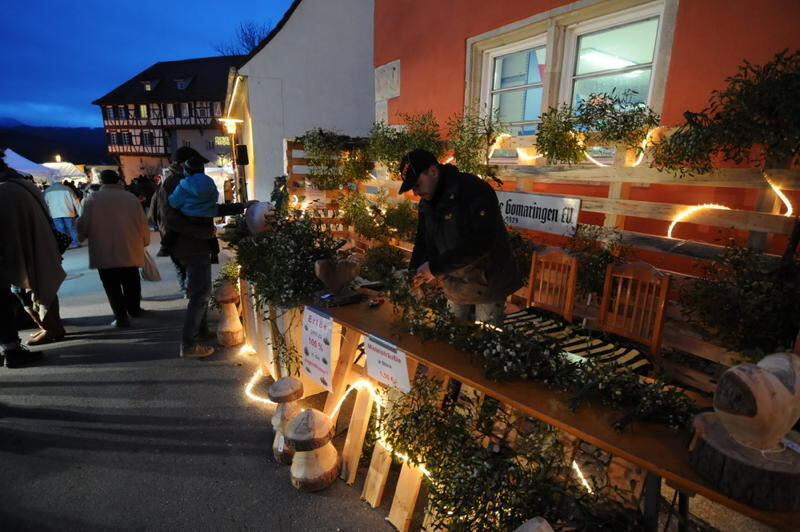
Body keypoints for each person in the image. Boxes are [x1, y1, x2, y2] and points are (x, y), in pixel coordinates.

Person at [400, 149, 522, 326]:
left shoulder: (474, 190)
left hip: (488, 281)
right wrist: (414, 272)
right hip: (454, 282)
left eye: (417, 184)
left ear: (433, 171)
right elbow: (423, 240)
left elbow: (481, 243)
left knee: (485, 341)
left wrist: (434, 267)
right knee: (453, 338)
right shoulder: (427, 203)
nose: (416, 192)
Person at [151, 147, 252, 358]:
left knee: (198, 291)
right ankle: (188, 344)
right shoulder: (173, 183)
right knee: (200, 294)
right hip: (189, 246)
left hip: (192, 245)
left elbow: (209, 209)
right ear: (183, 164)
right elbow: (170, 219)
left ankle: (202, 331)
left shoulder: (185, 182)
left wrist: (241, 207)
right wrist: (201, 232)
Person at [0, 148, 67, 367]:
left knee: (23, 292)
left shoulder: (7, 189)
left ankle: (42, 332)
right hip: (28, 253)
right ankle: (21, 342)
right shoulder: (16, 185)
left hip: (17, 257)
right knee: (28, 289)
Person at [77, 170, 150, 328]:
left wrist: (81, 235)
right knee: (131, 280)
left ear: (101, 181)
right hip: (128, 246)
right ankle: (134, 309)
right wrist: (144, 241)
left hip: (104, 250)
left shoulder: (92, 199)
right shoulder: (130, 198)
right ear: (118, 181)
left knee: (112, 286)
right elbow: (142, 223)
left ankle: (121, 317)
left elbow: (84, 224)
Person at [44, 177, 82, 249]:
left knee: (60, 229)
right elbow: (75, 201)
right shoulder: (67, 189)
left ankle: (65, 245)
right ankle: (75, 243)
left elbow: (46, 203)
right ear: (61, 181)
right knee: (71, 228)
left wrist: (47, 213)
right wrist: (80, 212)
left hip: (55, 213)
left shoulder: (48, 190)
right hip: (68, 212)